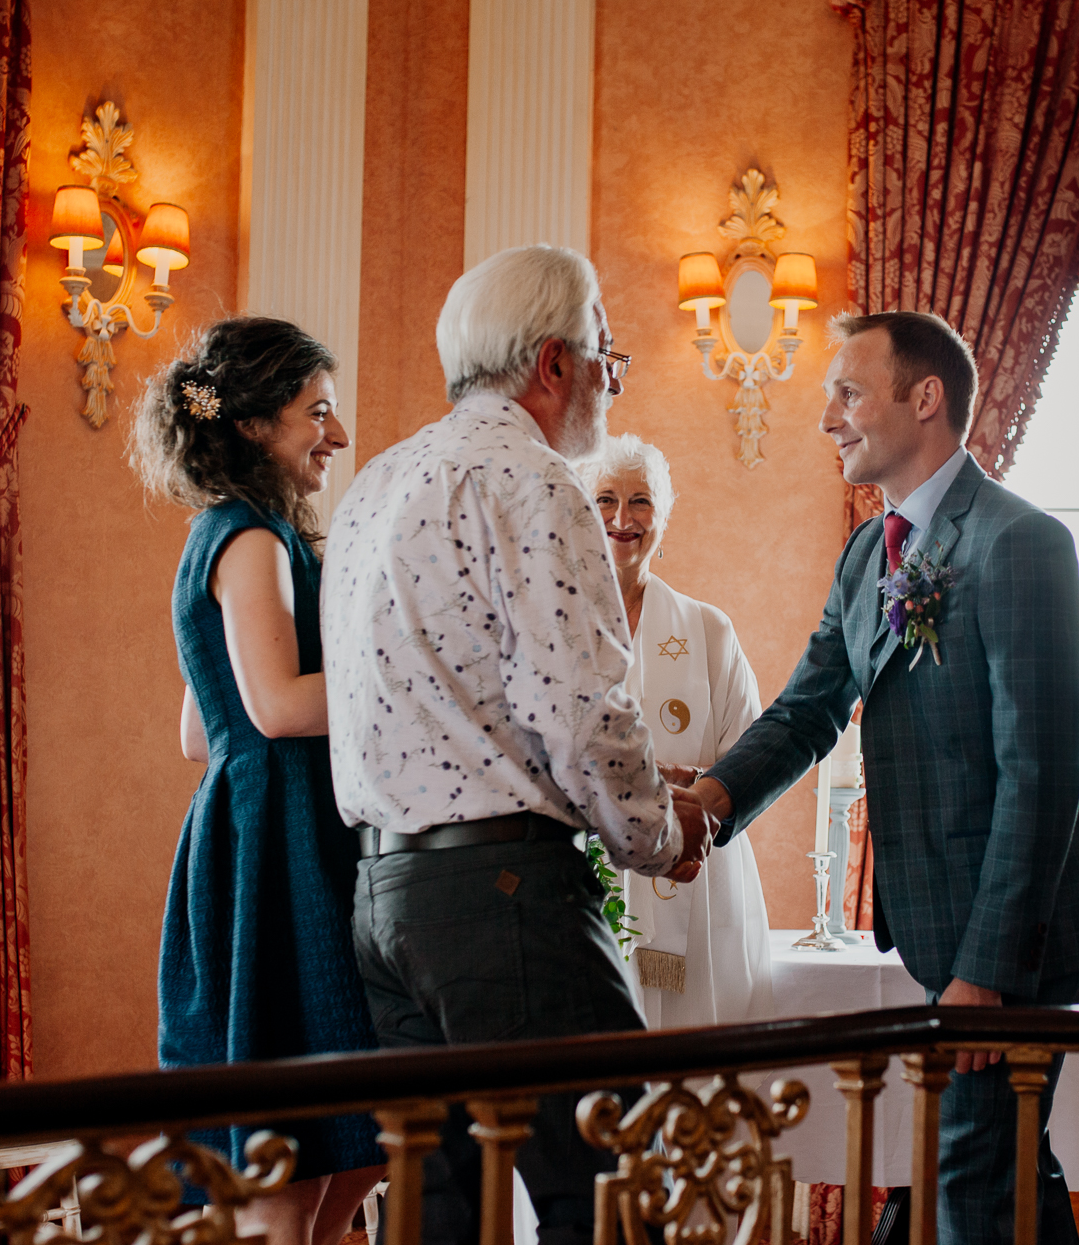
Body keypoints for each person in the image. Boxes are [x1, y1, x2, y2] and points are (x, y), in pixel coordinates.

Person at [683, 311, 1079, 1245]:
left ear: (926, 399)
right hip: (940, 927)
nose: (826, 417)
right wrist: (707, 809)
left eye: (847, 391)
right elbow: (809, 707)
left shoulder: (1019, 543)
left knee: (968, 1177)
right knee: (1004, 1171)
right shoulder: (865, 553)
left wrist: (984, 975)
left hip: (1014, 938)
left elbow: (1038, 777)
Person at [321, 245, 714, 1245]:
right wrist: (658, 833)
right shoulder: (534, 481)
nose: (612, 382)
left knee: (434, 1215)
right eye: (607, 356)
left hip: (378, 899)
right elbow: (579, 707)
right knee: (618, 1187)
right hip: (499, 895)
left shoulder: (373, 485)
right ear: (554, 362)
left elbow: (434, 700)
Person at [130, 316, 385, 1245]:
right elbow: (274, 708)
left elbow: (202, 728)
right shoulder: (251, 541)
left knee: (342, 1140)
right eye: (317, 411)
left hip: (260, 833)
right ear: (251, 424)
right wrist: (407, 673)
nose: (339, 434)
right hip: (279, 853)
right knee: (295, 1151)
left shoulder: (237, 535)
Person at [575, 433, 773, 1028]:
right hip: (586, 872)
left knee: (695, 1073)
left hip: (696, 877)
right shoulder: (559, 623)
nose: (621, 518)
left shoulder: (709, 630)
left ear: (664, 515)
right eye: (605, 498)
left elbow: (749, 756)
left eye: (641, 501)